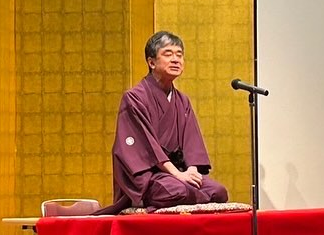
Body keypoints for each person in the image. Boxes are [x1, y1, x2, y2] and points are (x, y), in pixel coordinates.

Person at [97, 31, 228, 214]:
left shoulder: (182, 100)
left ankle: (191, 192)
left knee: (218, 192)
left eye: (179, 55)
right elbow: (146, 147)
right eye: (168, 54)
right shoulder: (135, 98)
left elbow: (192, 142)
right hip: (152, 175)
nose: (176, 60)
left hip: (179, 173)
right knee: (177, 191)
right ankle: (187, 193)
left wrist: (191, 171)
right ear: (151, 62)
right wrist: (177, 175)